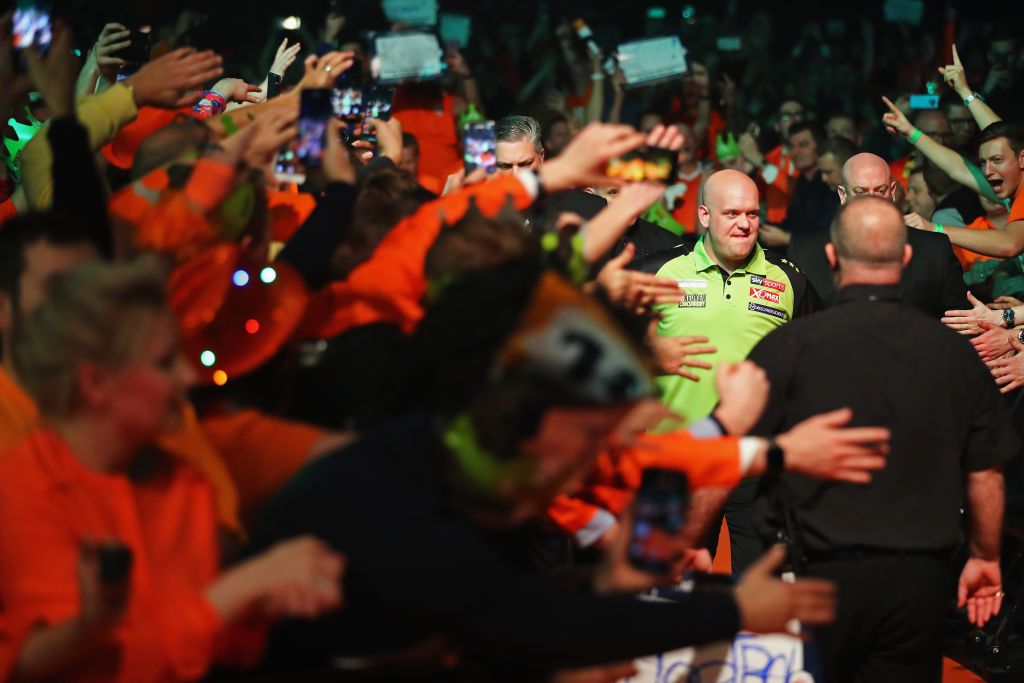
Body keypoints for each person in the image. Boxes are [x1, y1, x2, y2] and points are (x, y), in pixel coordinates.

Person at [250, 258, 837, 678]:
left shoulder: (461, 452)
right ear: (534, 419)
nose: (597, 462)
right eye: (592, 435)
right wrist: (734, 610)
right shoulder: (404, 513)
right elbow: (538, 623)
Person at [0, 259, 345, 682]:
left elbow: (196, 642)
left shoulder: (182, 481)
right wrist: (238, 591)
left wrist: (257, 607)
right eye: (165, 363)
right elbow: (112, 668)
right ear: (96, 383)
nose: (187, 376)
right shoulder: (23, 490)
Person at [747, 196, 1018, 683]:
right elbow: (985, 469)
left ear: (832, 258)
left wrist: (679, 541)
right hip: (921, 577)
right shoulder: (953, 356)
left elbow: (736, 454)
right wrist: (985, 556)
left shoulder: (786, 348)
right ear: (906, 258)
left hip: (820, 570)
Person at [648, 169, 820, 572]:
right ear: (704, 216)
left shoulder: (788, 279)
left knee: (759, 585)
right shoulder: (660, 273)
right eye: (731, 214)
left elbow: (813, 362)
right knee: (668, 582)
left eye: (753, 214)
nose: (744, 224)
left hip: (754, 459)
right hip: (679, 455)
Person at [788, 153, 970, 314]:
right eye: (861, 191)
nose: (872, 200)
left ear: (892, 192)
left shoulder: (934, 249)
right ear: (843, 195)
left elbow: (962, 323)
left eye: (880, 191)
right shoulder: (804, 251)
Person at [759, 122, 839, 250]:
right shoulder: (802, 181)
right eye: (791, 146)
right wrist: (763, 227)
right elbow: (793, 223)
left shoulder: (831, 184)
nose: (795, 152)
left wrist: (787, 239)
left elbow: (826, 236)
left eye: (803, 145)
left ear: (820, 148)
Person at [738, 99, 806, 224]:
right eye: (786, 116)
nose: (793, 120)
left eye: (798, 115)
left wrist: (759, 161)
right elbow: (754, 197)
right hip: (773, 230)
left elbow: (799, 190)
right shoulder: (771, 158)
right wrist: (746, 172)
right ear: (777, 126)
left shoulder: (811, 155)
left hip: (801, 231)